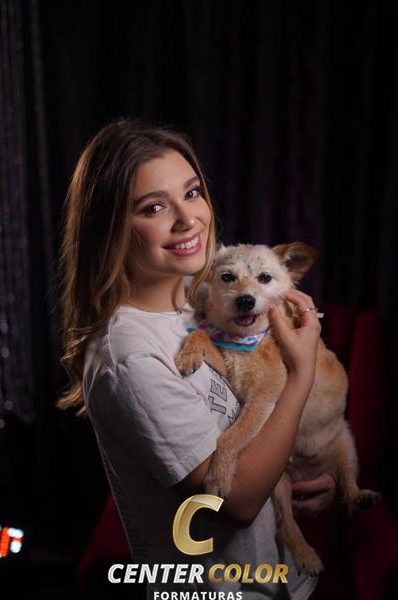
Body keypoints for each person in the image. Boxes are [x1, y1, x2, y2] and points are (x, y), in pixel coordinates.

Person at [57, 118, 335, 599]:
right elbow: (237, 503)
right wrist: (302, 372)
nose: (188, 220)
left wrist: (299, 475)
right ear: (111, 227)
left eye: (191, 193)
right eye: (154, 207)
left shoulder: (206, 296)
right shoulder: (128, 356)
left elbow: (257, 416)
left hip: (286, 580)